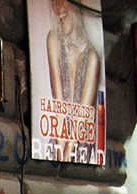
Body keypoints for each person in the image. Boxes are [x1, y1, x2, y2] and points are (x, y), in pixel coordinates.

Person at [46, 0, 100, 161]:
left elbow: (82, 115)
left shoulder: (92, 56)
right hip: (58, 139)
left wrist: (68, 153)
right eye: (54, 3)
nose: (58, 9)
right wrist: (61, 154)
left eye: (63, 2)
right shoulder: (54, 39)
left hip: (80, 145)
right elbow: (59, 104)